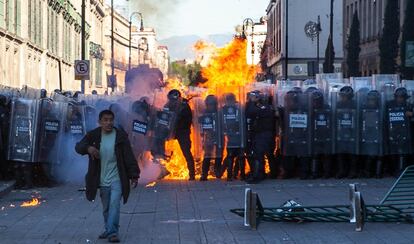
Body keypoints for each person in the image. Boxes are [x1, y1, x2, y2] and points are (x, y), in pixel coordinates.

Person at [75, 110, 139, 243]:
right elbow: (78, 147)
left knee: (115, 204)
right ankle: (109, 227)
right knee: (106, 208)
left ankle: (112, 232)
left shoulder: (121, 137)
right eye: (105, 120)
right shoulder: (93, 135)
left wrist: (134, 174)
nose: (109, 122)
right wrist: (88, 148)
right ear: (100, 122)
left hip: (117, 177)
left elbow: (129, 156)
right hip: (102, 178)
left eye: (111, 120)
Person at [246, 90, 278, 183]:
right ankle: (273, 173)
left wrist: (252, 102)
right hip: (267, 134)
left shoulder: (264, 108)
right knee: (269, 154)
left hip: (263, 134)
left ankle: (259, 175)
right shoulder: (268, 107)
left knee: (259, 155)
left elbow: (251, 112)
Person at [199, 95, 223, 181]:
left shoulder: (220, 112)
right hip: (208, 136)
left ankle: (217, 172)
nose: (211, 106)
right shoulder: (204, 113)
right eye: (209, 104)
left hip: (219, 136)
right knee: (207, 155)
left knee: (219, 155)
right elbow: (200, 125)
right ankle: (204, 174)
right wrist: (203, 136)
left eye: (212, 104)